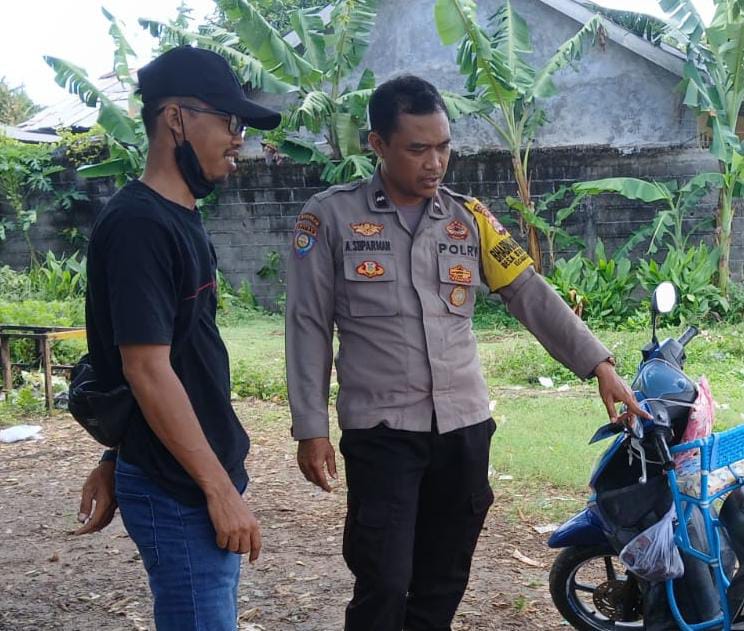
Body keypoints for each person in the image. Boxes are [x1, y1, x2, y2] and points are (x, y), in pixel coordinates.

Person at [285, 75, 650, 631]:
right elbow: (308, 324)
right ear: (378, 144)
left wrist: (599, 365)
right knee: (384, 578)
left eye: (444, 147)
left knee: (444, 576)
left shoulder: (469, 218)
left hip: (463, 427)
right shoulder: (330, 216)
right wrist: (310, 428)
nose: (435, 163)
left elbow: (528, 292)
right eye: (418, 149)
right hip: (383, 430)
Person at [74, 46, 281, 631]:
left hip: (183, 473)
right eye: (230, 120)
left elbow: (175, 354)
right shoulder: (140, 225)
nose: (238, 138)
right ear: (176, 119)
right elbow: (145, 368)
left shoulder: (178, 215)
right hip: (179, 486)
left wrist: (117, 455)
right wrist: (217, 490)